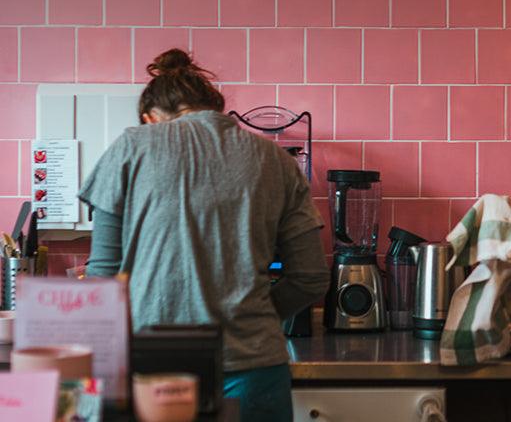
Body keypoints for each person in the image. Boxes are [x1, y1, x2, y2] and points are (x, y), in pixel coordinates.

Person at [80, 49, 328, 422]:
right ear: (215, 107)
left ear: (150, 120)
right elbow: (311, 278)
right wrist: (253, 313)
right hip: (254, 367)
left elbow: (103, 277)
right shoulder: (276, 161)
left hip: (153, 372)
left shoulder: (130, 148)